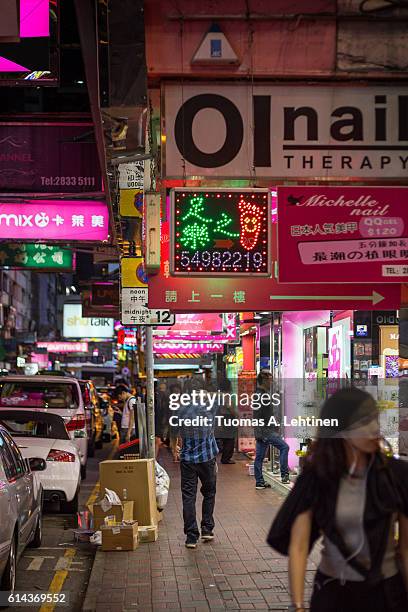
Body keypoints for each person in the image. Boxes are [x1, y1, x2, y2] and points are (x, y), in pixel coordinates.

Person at [267, 387, 408, 612]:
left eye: (374, 418)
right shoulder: (318, 476)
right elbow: (299, 546)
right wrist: (298, 606)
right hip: (334, 595)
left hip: (387, 596)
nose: (374, 428)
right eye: (363, 422)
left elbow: (405, 550)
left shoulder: (396, 474)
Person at [177, 381, 218, 549]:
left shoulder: (181, 409)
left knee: (188, 496)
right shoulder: (209, 407)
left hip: (187, 459)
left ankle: (191, 536)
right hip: (207, 458)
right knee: (209, 493)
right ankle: (207, 529)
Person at [254, 370, 289, 488]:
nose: (272, 382)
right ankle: (285, 475)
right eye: (270, 380)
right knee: (284, 447)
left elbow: (262, 414)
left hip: (262, 431)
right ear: (264, 381)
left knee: (259, 457)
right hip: (265, 431)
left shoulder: (260, 393)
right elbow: (259, 415)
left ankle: (259, 482)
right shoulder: (261, 395)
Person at [215, 377, 237, 464]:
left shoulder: (219, 394)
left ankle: (225, 456)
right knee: (230, 439)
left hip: (222, 417)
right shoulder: (227, 395)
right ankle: (226, 458)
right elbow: (229, 407)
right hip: (228, 417)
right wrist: (236, 414)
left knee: (225, 438)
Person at [154, 380, 170, 458]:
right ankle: (154, 460)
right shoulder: (156, 397)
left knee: (157, 441)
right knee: (156, 441)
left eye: (163, 388)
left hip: (160, 422)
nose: (162, 390)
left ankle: (154, 460)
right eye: (160, 389)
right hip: (157, 422)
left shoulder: (165, 398)